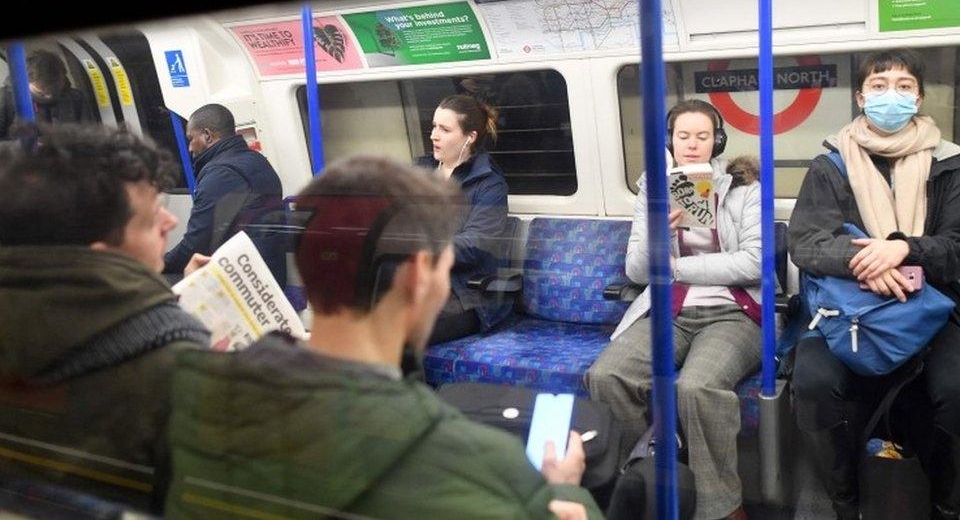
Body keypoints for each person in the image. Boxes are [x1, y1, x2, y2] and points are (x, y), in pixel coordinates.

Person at [165, 155, 600, 519]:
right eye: (442, 267)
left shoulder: (195, 414)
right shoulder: (480, 468)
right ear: (417, 277)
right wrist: (564, 494)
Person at [789, 48, 960, 520]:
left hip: (930, 300)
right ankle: (844, 502)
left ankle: (947, 506)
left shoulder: (952, 165)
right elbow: (807, 243)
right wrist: (869, 260)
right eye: (878, 85)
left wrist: (905, 248)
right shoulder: (830, 165)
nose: (890, 95)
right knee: (812, 384)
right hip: (844, 304)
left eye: (903, 85)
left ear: (918, 97)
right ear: (859, 97)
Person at [0, 123, 210, 512]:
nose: (171, 222)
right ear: (99, 258)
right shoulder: (176, 371)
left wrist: (167, 298)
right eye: (149, 220)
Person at [585, 99, 762, 520]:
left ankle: (721, 508)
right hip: (672, 309)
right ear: (671, 141)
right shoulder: (654, 186)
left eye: (702, 136)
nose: (692, 145)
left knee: (696, 389)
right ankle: (653, 477)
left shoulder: (745, 187)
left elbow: (754, 261)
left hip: (732, 312)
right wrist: (658, 233)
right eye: (683, 136)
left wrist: (678, 266)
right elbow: (637, 269)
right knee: (606, 376)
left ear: (717, 141)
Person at [418, 94, 512, 344]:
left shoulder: (489, 185)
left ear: (469, 137)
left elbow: (476, 244)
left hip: (466, 294)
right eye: (434, 126)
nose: (433, 136)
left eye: (445, 129)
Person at [163, 103, 285, 286]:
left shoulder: (221, 174)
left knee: (156, 286)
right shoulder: (256, 160)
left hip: (244, 281)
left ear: (207, 135)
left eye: (191, 138)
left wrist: (157, 264)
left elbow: (196, 244)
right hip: (267, 270)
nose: (189, 148)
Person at [0, 49, 94, 138]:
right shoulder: (4, 99)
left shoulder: (76, 97)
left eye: (56, 91)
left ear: (63, 78)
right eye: (41, 93)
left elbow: (90, 136)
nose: (50, 96)